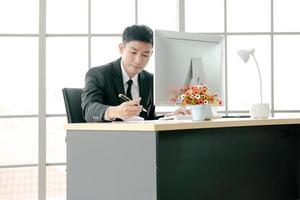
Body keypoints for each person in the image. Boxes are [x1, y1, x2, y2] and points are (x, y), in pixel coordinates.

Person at [81, 24, 190, 122]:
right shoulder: (98, 74)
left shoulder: (150, 80)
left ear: (151, 53)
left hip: (142, 140)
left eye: (145, 55)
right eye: (133, 52)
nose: (138, 60)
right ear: (121, 48)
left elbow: (148, 119)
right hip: (107, 139)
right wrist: (115, 111)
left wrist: (171, 116)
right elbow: (89, 109)